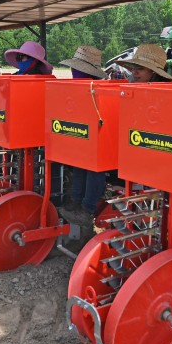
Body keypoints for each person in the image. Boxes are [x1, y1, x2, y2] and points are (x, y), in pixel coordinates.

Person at [58, 46, 108, 226]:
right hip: (83, 134)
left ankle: (87, 210)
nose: (74, 71)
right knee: (80, 163)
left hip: (99, 136)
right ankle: (75, 202)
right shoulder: (77, 87)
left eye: (77, 68)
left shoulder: (100, 89)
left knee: (95, 168)